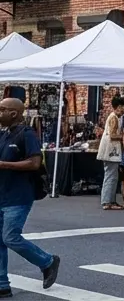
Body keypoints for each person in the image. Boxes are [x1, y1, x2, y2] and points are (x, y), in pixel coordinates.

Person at [0, 98, 60, 295]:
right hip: (2, 193)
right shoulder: (3, 135)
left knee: (10, 237)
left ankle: (47, 261)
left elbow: (34, 163)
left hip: (18, 196)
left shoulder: (27, 134)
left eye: (2, 110)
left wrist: (4, 165)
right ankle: (2, 285)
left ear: (14, 113)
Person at [96, 97, 124, 210]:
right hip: (110, 150)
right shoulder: (114, 118)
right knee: (111, 176)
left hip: (110, 150)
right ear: (119, 107)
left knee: (112, 176)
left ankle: (110, 200)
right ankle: (107, 201)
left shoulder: (116, 117)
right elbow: (113, 135)